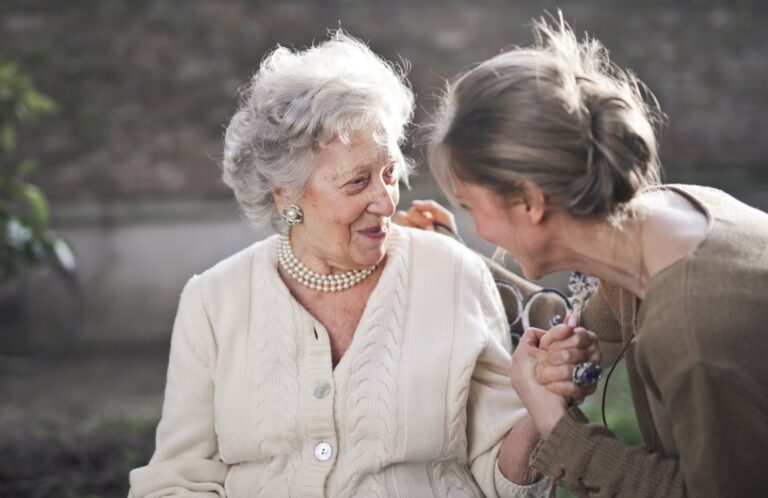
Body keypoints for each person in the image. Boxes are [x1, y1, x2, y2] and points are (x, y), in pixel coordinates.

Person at [127, 32, 598, 498]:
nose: (385, 201)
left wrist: (542, 405)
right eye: (356, 183)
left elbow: (499, 477)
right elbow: (178, 479)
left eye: (390, 173)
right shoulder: (214, 300)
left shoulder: (453, 274)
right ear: (285, 193)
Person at [423, 13, 768, 498]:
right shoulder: (663, 217)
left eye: (471, 208)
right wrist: (572, 350)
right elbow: (586, 328)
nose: (478, 229)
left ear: (529, 202)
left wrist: (555, 425)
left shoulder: (691, 329)